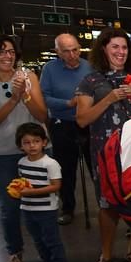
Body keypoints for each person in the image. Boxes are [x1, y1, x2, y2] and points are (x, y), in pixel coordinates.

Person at [76, 27, 131, 262]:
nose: (121, 52)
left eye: (124, 47)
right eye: (115, 47)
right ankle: (107, 253)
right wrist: (109, 99)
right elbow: (82, 119)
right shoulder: (91, 80)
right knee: (107, 203)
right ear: (104, 49)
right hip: (105, 152)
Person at [0, 34, 47, 262]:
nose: (7, 56)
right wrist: (14, 100)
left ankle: (48, 253)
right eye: (1, 51)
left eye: (11, 51)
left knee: (40, 205)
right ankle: (15, 252)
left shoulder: (28, 78)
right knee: (9, 208)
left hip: (35, 153)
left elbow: (41, 116)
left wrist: (26, 96)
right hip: (1, 156)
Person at [40, 33, 93, 226]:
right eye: (66, 51)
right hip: (62, 122)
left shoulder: (89, 66)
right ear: (58, 52)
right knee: (65, 168)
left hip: (87, 123)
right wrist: (68, 102)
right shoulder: (49, 69)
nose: (72, 55)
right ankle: (68, 207)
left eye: (75, 50)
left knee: (95, 165)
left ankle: (105, 204)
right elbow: (44, 97)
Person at [14, 123, 70, 262]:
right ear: (20, 145)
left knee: (51, 239)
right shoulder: (22, 163)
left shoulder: (50, 164)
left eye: (36, 141)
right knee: (37, 239)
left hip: (46, 209)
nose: (32, 146)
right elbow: (24, 182)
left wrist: (29, 192)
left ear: (44, 142)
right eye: (27, 142)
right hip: (27, 208)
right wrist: (17, 188)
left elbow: (56, 186)